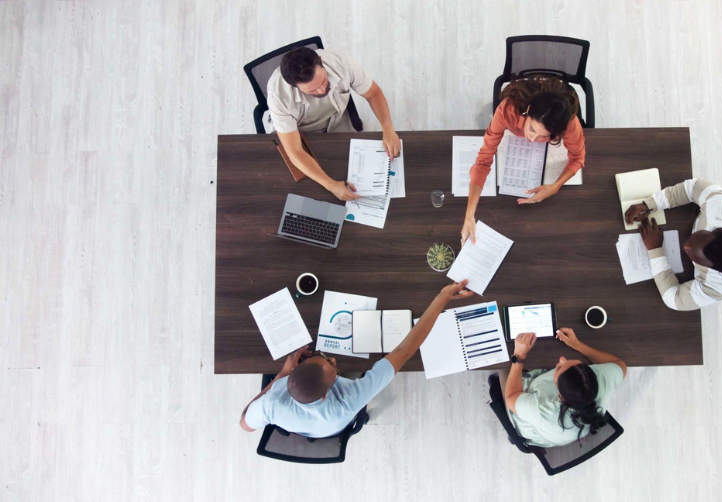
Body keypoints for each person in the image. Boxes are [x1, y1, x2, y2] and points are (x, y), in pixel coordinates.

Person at [239, 280, 473, 437]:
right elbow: (404, 351)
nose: (333, 359)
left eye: (323, 358)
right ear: (325, 394)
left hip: (313, 425)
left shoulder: (271, 404)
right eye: (333, 368)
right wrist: (443, 297)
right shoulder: (349, 401)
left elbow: (244, 423)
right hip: (334, 423)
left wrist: (280, 374)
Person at [461, 77, 586, 244]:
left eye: (544, 136)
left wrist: (555, 187)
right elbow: (483, 160)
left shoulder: (569, 123)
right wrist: (469, 213)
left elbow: (578, 157)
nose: (533, 139)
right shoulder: (508, 109)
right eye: (532, 129)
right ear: (528, 111)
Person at [266, 47, 401, 201]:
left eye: (323, 81)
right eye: (312, 91)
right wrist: (330, 185)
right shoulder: (279, 95)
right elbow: (295, 152)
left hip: (338, 122)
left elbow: (373, 93)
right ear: (295, 87)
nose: (322, 89)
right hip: (302, 134)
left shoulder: (343, 63)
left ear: (321, 62)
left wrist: (388, 128)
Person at [625, 178, 722, 311]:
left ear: (714, 269)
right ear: (715, 230)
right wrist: (651, 204)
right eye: (694, 240)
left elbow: (674, 299)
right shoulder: (721, 204)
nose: (685, 247)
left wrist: (655, 250)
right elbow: (691, 188)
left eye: (694, 256)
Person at [503, 329, 627, 448]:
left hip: (534, 428)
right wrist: (576, 344)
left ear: (560, 396)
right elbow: (619, 363)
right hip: (562, 434)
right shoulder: (603, 378)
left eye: (558, 368)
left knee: (504, 367)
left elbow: (511, 396)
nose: (562, 359)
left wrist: (519, 356)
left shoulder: (544, 410)